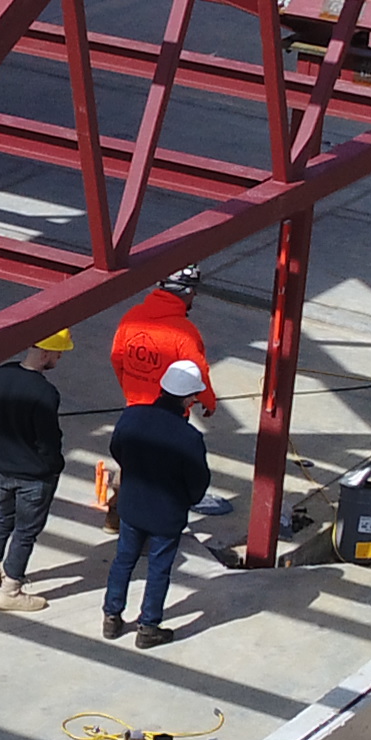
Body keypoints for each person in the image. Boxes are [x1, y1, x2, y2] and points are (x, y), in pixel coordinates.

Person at [105, 360, 213, 641]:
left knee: (123, 560)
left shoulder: (132, 417)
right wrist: (184, 500)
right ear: (189, 399)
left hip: (131, 505)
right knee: (159, 569)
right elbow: (198, 481)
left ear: (163, 387)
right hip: (167, 513)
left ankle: (111, 616)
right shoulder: (190, 438)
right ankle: (148, 627)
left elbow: (117, 448)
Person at [0, 333, 69, 610]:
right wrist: (55, 466)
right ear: (45, 354)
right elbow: (48, 440)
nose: (59, 358)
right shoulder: (45, 393)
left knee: (3, 517)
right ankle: (12, 590)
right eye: (58, 354)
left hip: (4, 465)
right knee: (26, 531)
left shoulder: (0, 375)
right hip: (34, 475)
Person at [113, 274, 218, 420]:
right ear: (188, 292)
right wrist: (209, 401)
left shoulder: (131, 317)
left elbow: (117, 359)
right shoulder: (185, 332)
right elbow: (197, 373)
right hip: (171, 417)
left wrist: (131, 391)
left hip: (134, 411)